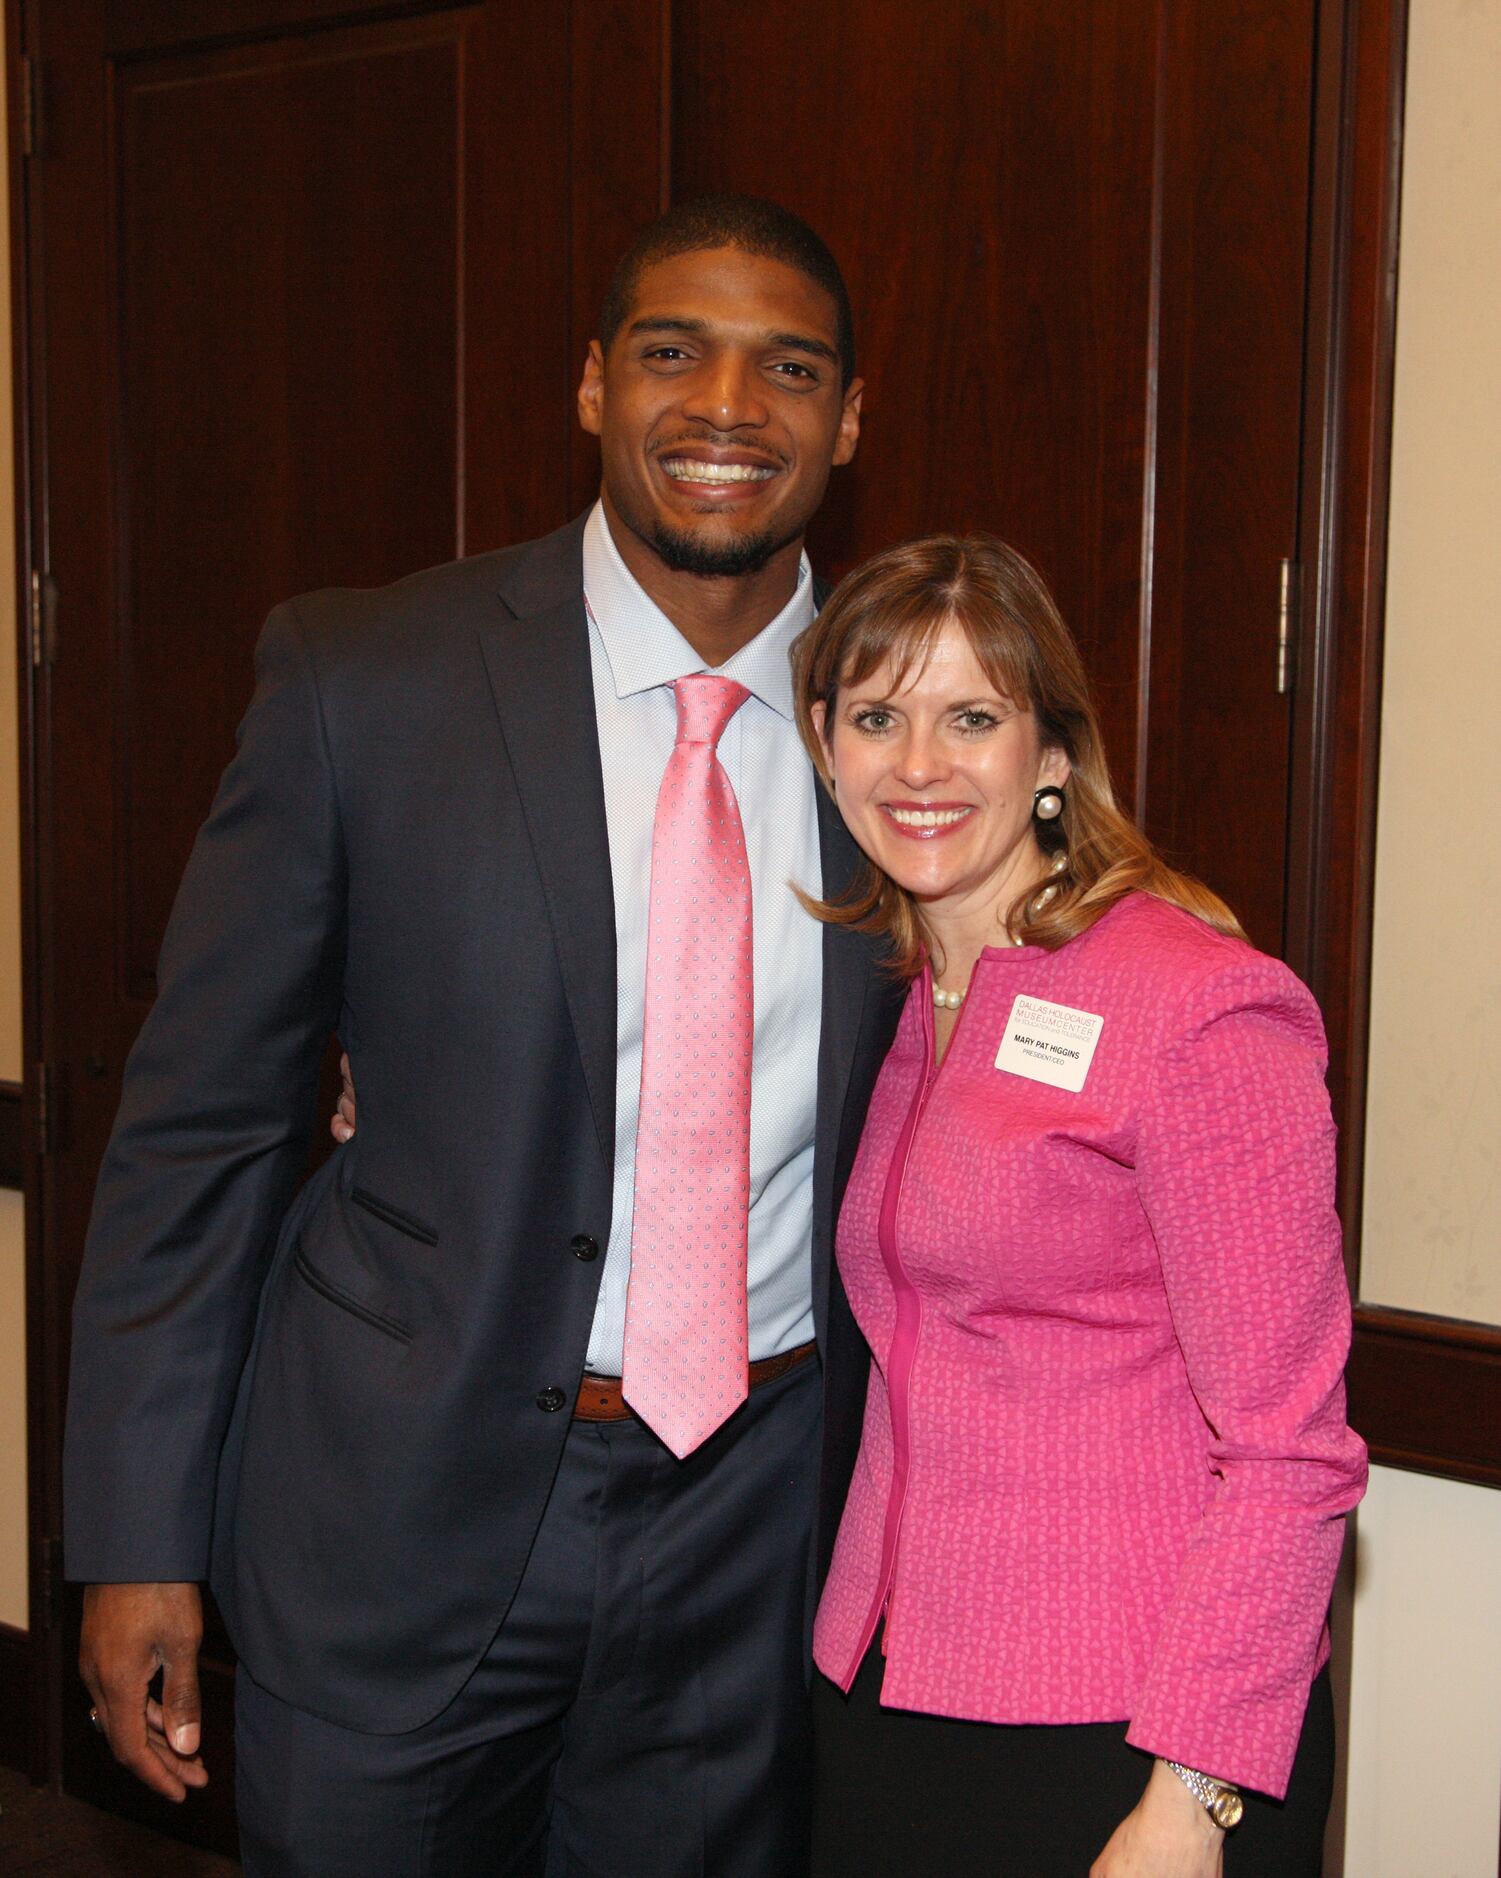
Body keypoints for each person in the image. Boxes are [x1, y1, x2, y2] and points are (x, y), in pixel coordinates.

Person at [63, 195, 906, 1877]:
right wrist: (134, 1532)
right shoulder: (360, 677)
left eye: (787, 366)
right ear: (592, 384)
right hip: (394, 1517)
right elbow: (200, 1128)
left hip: (757, 1536)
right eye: (673, 351)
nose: (728, 406)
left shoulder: (911, 735)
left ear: (848, 416)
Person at [790, 535, 1367, 1877]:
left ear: (1050, 755)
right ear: (824, 748)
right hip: (884, 1689)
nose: (917, 763)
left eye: (971, 717)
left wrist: (1188, 1797)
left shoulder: (1191, 1001)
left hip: (1128, 1728)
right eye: (876, 716)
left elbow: (1291, 1450)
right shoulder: (884, 1000)